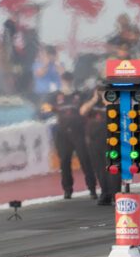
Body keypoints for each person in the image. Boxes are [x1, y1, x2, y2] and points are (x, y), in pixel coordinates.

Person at [42, 72, 97, 200]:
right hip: (63, 131)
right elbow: (44, 107)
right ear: (61, 80)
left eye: (68, 79)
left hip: (78, 130)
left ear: (72, 80)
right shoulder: (55, 95)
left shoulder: (79, 94)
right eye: (65, 79)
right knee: (64, 161)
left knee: (85, 160)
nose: (67, 82)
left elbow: (86, 109)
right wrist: (50, 108)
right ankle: (67, 190)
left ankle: (92, 188)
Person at [81, 84, 121, 206]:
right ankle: (106, 194)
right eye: (100, 91)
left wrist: (108, 99)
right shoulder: (93, 105)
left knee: (113, 168)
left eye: (104, 91)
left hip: (111, 140)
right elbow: (82, 111)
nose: (101, 93)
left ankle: (116, 194)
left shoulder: (114, 103)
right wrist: (94, 99)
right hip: (94, 141)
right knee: (100, 169)